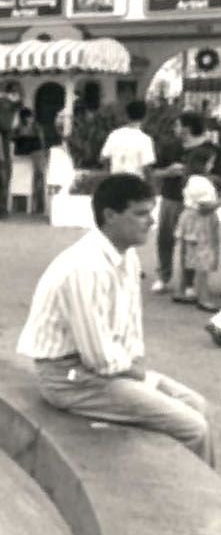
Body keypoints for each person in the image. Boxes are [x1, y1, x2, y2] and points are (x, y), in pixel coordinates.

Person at [17, 173, 217, 468]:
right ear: (110, 216)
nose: (150, 222)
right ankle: (193, 506)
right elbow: (98, 355)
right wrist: (137, 374)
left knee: (200, 406)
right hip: (69, 378)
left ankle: (205, 490)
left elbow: (130, 324)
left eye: (150, 212)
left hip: (105, 370)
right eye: (140, 214)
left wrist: (136, 364)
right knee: (192, 427)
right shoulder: (85, 266)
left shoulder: (127, 256)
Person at [154, 111, 217, 294]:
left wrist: (203, 178)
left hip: (195, 204)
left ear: (187, 128)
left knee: (191, 242)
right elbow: (154, 172)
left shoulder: (211, 150)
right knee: (165, 238)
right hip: (170, 198)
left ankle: (188, 283)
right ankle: (163, 277)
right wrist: (168, 172)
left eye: (178, 124)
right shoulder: (170, 147)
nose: (175, 128)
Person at [174, 167, 220, 311]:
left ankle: (184, 290)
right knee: (202, 259)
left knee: (188, 257)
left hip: (192, 221)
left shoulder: (194, 181)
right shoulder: (201, 183)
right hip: (200, 223)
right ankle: (203, 298)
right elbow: (204, 208)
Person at [100, 100, 155, 179]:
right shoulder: (145, 139)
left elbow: (104, 159)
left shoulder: (114, 135)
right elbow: (147, 167)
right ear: (145, 117)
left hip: (115, 182)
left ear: (126, 116)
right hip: (135, 183)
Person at [12, 107, 48, 215]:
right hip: (22, 156)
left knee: (39, 178)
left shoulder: (36, 128)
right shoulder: (18, 129)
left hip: (35, 154)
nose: (31, 119)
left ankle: (38, 205)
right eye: (29, 117)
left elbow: (41, 143)